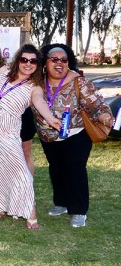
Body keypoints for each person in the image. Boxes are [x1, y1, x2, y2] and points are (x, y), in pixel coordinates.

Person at [0, 44, 60, 230]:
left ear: (38, 64)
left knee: (21, 172)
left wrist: (51, 118)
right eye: (24, 59)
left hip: (8, 133)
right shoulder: (4, 70)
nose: (28, 64)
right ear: (17, 60)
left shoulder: (34, 87)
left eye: (33, 61)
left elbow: (40, 103)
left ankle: (31, 212)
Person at [33, 43, 114, 228]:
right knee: (56, 168)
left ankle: (78, 210)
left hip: (76, 134)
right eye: (54, 59)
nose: (59, 63)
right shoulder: (38, 81)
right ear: (45, 62)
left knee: (75, 169)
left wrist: (103, 115)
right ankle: (61, 203)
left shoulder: (78, 81)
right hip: (49, 136)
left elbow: (95, 103)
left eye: (64, 60)